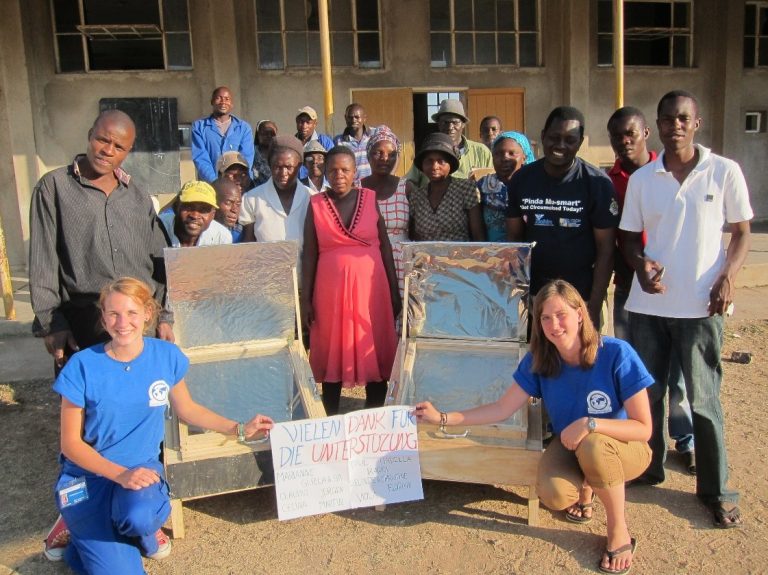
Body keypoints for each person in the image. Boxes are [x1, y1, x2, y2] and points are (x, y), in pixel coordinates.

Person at [415, 280, 652, 575]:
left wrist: (589, 423)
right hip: (571, 445)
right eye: (545, 318)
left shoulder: (617, 353)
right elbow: (501, 408)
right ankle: (587, 488)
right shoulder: (540, 360)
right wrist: (442, 417)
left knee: (594, 444)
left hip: (624, 447)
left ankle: (619, 531)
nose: (554, 325)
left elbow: (643, 428)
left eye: (561, 315)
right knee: (553, 495)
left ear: (580, 314)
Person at [47, 277, 273, 571]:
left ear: (147, 314)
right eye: (113, 314)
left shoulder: (166, 356)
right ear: (103, 318)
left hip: (140, 471)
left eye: (131, 312)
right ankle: (82, 535)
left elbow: (188, 409)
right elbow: (70, 444)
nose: (122, 323)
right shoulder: (82, 366)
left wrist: (239, 428)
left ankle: (132, 535)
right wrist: (120, 475)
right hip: (89, 476)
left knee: (139, 517)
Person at [620, 90, 753, 528]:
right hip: (649, 306)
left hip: (701, 306)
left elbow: (741, 232)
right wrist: (640, 265)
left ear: (696, 123)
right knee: (649, 394)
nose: (675, 126)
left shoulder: (724, 171)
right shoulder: (643, 179)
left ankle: (717, 491)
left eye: (682, 118)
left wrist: (728, 276)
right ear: (657, 125)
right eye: (667, 119)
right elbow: (628, 239)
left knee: (704, 399)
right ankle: (648, 467)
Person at [29, 110, 173, 380]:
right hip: (85, 322)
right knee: (89, 400)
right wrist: (52, 323)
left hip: (139, 324)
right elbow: (42, 261)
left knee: (142, 396)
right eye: (103, 140)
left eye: (119, 147)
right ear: (90, 136)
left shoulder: (138, 195)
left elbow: (160, 260)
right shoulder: (54, 188)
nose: (108, 151)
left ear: (127, 152)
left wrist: (164, 317)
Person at [607, 106, 695, 474]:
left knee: (677, 370)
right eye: (616, 136)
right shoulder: (607, 180)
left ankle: (685, 437)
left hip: (673, 286)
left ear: (646, 133)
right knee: (636, 369)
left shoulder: (669, 172)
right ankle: (642, 443)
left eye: (630, 133)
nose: (624, 141)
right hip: (630, 286)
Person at [301, 146, 401, 416]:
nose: (339, 176)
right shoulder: (316, 204)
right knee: (332, 346)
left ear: (355, 172)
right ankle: (331, 418)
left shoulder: (369, 198)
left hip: (372, 289)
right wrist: (306, 299)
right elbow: (309, 253)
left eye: (345, 170)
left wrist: (394, 292)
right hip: (330, 291)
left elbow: (385, 247)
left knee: (373, 345)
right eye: (333, 170)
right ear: (324, 172)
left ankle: (374, 416)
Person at [506, 106, 618, 328]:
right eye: (554, 137)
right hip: (536, 297)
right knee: (539, 351)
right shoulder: (522, 180)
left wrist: (594, 306)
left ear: (580, 142)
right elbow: (515, 241)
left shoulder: (597, 184)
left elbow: (606, 249)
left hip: (581, 298)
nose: (560, 145)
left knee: (580, 352)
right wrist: (519, 297)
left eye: (570, 140)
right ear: (543, 136)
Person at [360, 126, 412, 294]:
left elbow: (417, 230)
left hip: (401, 262)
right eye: (378, 153)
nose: (385, 159)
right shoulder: (357, 189)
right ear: (368, 155)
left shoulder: (406, 188)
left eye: (391, 154)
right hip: (368, 260)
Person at [239, 135, 313, 251]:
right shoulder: (251, 199)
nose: (283, 173)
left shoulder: (312, 198)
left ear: (299, 166)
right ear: (269, 165)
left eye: (289, 167)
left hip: (304, 263)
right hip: (265, 263)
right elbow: (248, 245)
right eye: (277, 167)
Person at [408, 132, 485, 242]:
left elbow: (478, 235)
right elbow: (414, 237)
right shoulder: (416, 196)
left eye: (441, 161)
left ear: (450, 164)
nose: (434, 166)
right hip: (425, 253)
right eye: (429, 161)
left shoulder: (466, 189)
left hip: (459, 252)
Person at [405, 99, 493, 189]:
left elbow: (492, 181)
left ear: (463, 124)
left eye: (455, 123)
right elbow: (409, 182)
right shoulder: (428, 152)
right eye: (445, 122)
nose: (450, 127)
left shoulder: (481, 152)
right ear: (438, 124)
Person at [476, 131, 535, 241]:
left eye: (512, 153)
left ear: (524, 157)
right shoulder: (482, 186)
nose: (504, 158)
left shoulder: (534, 187)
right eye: (498, 154)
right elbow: (476, 228)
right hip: (490, 249)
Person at [191, 86, 255, 183]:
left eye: (227, 99)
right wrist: (215, 182)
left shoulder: (243, 128)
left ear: (232, 104)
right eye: (218, 98)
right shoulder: (199, 127)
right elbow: (200, 158)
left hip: (238, 183)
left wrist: (234, 181)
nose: (223, 102)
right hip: (210, 184)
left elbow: (246, 158)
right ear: (212, 101)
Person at [159, 181, 232, 247]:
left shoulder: (221, 238)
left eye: (203, 210)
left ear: (213, 215)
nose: (195, 216)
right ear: (176, 208)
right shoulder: (158, 227)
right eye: (189, 207)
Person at [334, 103, 374, 184]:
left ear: (364, 118)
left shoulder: (373, 136)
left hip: (372, 186)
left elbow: (397, 147)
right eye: (350, 117)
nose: (353, 120)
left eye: (357, 117)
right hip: (352, 188)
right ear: (345, 118)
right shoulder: (338, 141)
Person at [295, 106, 334, 181]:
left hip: (319, 186)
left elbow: (331, 165)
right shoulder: (291, 143)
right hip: (297, 186)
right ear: (296, 122)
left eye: (308, 122)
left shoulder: (325, 142)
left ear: (315, 124)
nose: (304, 126)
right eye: (301, 122)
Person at [213, 178, 244, 243]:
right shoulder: (199, 232)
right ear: (214, 202)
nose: (234, 210)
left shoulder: (240, 235)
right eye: (228, 203)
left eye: (238, 204)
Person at [253, 120, 278, 186]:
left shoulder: (280, 153)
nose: (269, 136)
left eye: (272, 133)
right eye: (265, 133)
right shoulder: (252, 152)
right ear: (258, 135)